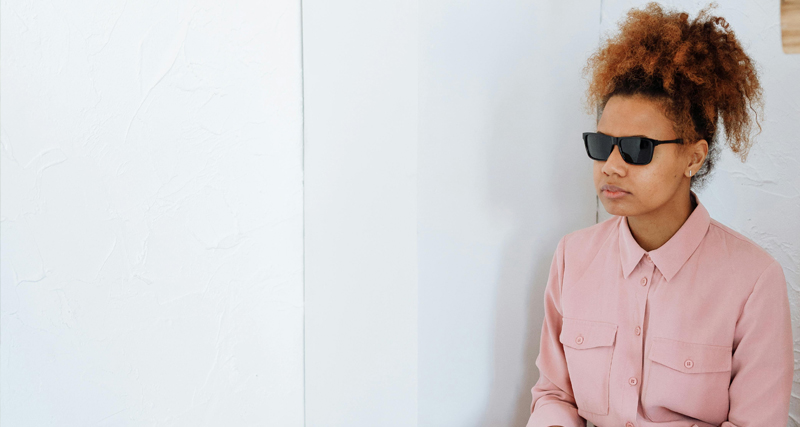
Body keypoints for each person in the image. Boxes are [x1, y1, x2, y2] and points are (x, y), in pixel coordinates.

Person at [525, 2, 793, 427]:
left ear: (693, 157)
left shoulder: (754, 282)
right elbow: (555, 395)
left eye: (636, 148)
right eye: (601, 144)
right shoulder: (572, 258)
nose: (612, 165)